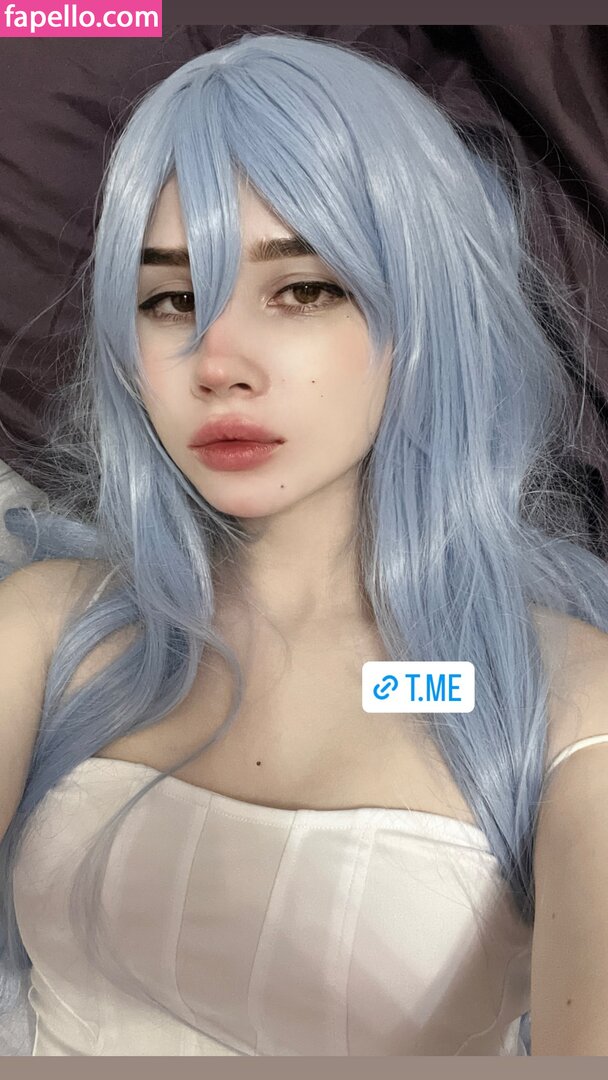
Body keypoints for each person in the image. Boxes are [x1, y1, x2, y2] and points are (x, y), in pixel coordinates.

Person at [1, 30, 608, 1057]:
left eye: (303, 289)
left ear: (422, 316)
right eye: (172, 300)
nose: (217, 363)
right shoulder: (45, 627)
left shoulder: (555, 708)